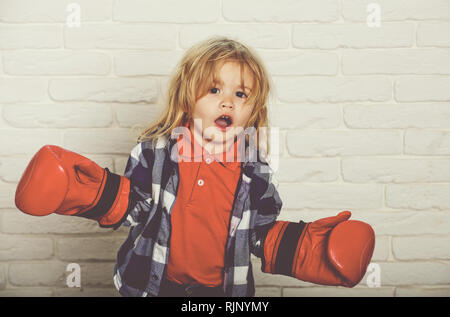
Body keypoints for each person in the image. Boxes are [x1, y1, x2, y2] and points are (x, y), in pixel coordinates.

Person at [14, 36, 375, 297]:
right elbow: (134, 207)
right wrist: (89, 192)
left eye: (241, 94)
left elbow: (258, 231)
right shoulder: (154, 152)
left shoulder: (256, 170)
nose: (228, 102)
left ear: (254, 109)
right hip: (151, 283)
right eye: (214, 90)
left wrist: (305, 247)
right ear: (188, 98)